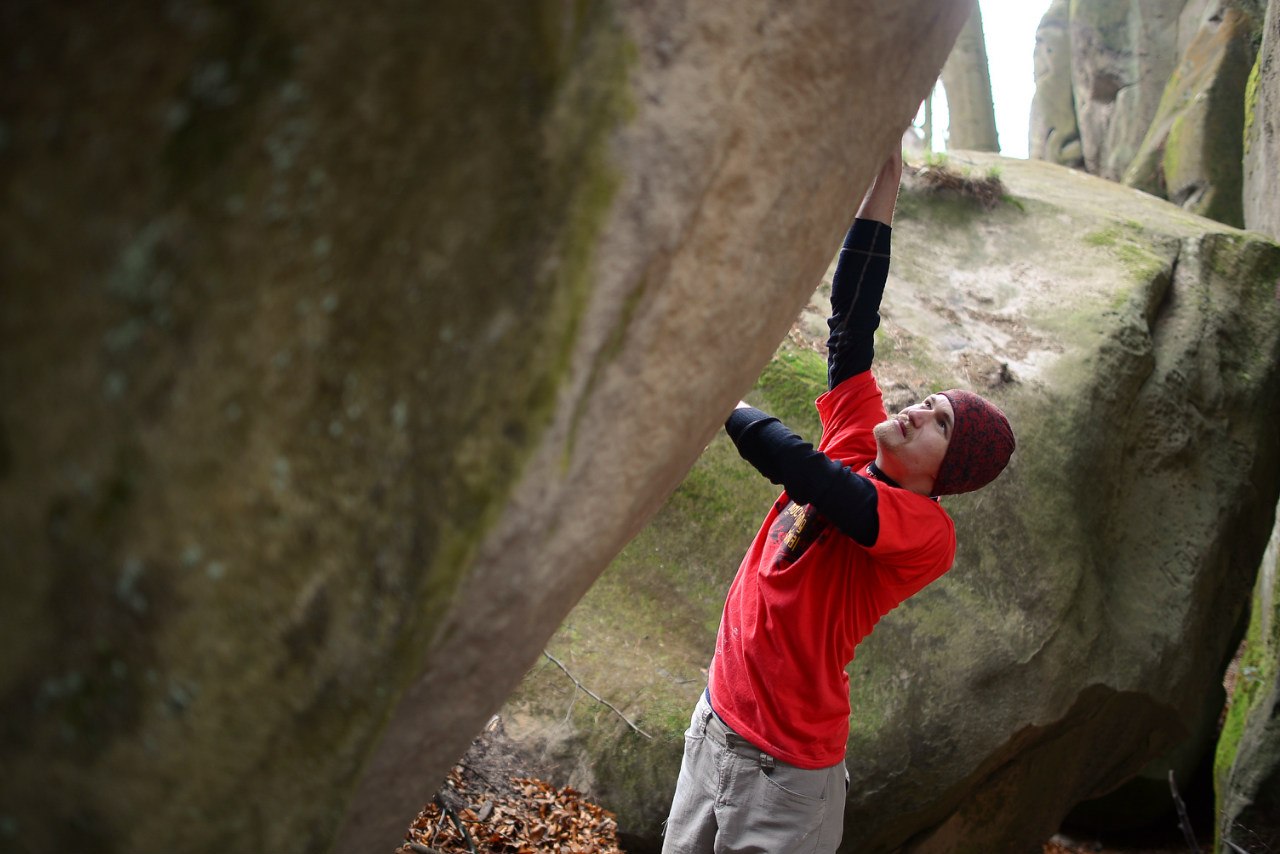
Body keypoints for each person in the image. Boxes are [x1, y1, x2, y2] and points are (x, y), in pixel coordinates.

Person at [660, 150, 1016, 854]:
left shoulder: (925, 533)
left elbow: (818, 483)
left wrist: (716, 399)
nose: (917, 411)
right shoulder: (860, 435)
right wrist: (884, 177)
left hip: (785, 780)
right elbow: (851, 320)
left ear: (947, 474)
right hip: (714, 729)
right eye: (929, 402)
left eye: (939, 424)